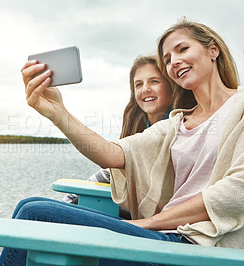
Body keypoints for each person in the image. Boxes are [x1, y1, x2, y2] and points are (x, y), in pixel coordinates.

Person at [0, 18, 244, 266]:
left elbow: (237, 193)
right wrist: (56, 112)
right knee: (29, 205)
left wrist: (145, 224)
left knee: (35, 214)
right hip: (163, 240)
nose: (174, 62)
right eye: (168, 59)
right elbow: (111, 154)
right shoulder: (176, 123)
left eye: (182, 49)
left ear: (213, 50)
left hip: (198, 250)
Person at [62, 55, 172, 205]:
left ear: (171, 86)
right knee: (38, 205)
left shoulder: (172, 127)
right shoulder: (137, 125)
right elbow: (111, 171)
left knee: (35, 209)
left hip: (148, 214)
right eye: (138, 84)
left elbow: (109, 157)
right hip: (131, 204)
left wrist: (58, 112)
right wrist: (71, 198)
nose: (145, 89)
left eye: (154, 81)